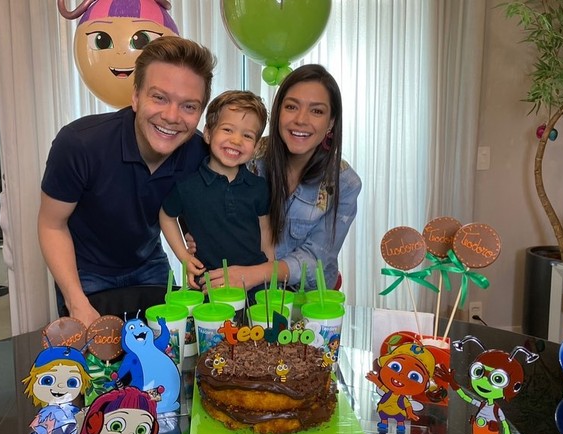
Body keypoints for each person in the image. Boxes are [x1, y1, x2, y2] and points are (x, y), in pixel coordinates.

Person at [38, 36, 216, 327]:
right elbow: (51, 225)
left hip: (150, 263)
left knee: (167, 350)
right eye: (159, 97)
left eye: (189, 106)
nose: (171, 117)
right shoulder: (79, 143)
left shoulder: (199, 152)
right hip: (87, 272)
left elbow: (189, 211)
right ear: (135, 97)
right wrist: (76, 301)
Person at [198, 64, 361, 293]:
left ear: (331, 123)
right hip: (246, 292)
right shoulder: (248, 156)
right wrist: (193, 230)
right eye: (292, 106)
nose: (301, 120)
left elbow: (316, 257)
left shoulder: (345, 183)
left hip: (309, 298)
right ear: (278, 112)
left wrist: (253, 274)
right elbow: (200, 189)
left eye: (317, 111)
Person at [159, 90, 273, 290]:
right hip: (208, 285)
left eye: (247, 135)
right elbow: (166, 216)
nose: (236, 140)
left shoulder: (259, 187)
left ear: (255, 147)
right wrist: (184, 256)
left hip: (254, 285)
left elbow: (266, 233)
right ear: (209, 134)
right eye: (228, 130)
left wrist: (268, 273)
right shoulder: (187, 186)